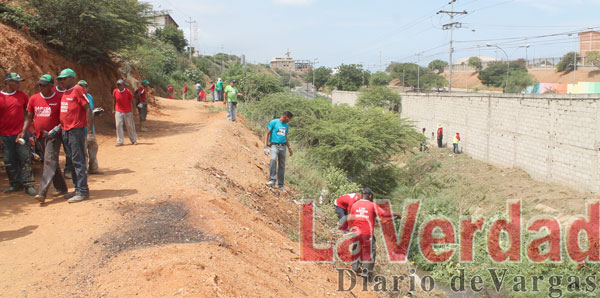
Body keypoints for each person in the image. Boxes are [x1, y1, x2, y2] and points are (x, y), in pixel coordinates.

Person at [19, 74, 68, 202]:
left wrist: (56, 129)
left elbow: (64, 118)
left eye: (44, 85)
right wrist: (23, 132)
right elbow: (29, 117)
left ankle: (42, 192)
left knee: (48, 161)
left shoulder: (59, 98)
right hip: (39, 136)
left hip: (54, 136)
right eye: (39, 84)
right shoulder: (34, 98)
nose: (41, 87)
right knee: (51, 162)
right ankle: (62, 188)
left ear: (52, 85)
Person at [57, 68, 94, 203]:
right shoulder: (65, 92)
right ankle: (77, 189)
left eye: (64, 79)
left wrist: (89, 131)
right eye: (60, 79)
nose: (61, 81)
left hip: (75, 130)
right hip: (66, 131)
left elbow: (88, 109)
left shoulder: (78, 89)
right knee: (71, 161)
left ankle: (83, 191)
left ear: (72, 78)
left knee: (78, 161)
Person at [0, 72, 36, 195]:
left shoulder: (22, 96)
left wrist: (25, 130)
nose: (18, 84)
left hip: (20, 134)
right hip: (5, 135)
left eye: (18, 81)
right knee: (9, 160)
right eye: (15, 81)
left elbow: (28, 113)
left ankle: (29, 184)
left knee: (25, 158)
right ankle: (15, 184)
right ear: (7, 82)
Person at [348, 187, 393, 282]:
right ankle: (367, 276)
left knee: (357, 250)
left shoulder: (355, 205)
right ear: (370, 196)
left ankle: (355, 268)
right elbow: (383, 215)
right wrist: (396, 215)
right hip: (367, 234)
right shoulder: (372, 205)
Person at [263, 111, 293, 191]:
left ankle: (280, 185)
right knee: (273, 159)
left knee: (282, 166)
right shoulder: (274, 122)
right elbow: (267, 133)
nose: (288, 121)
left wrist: (289, 148)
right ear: (284, 116)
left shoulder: (286, 125)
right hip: (274, 145)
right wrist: (265, 146)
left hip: (283, 147)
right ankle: (272, 180)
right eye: (288, 119)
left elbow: (285, 137)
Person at [78, 80, 99, 174]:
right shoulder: (76, 97)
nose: (82, 89)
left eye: (84, 87)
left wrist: (96, 112)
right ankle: (84, 170)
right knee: (83, 150)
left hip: (91, 128)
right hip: (81, 129)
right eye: (80, 87)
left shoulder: (90, 97)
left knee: (93, 148)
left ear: (87, 88)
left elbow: (90, 111)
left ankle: (93, 168)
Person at [112, 79, 137, 146]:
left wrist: (134, 110)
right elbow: (114, 100)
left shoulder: (128, 92)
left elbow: (132, 101)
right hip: (118, 110)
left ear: (123, 85)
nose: (119, 86)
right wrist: (113, 109)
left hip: (127, 111)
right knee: (118, 125)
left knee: (130, 126)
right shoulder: (115, 91)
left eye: (120, 85)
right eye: (118, 85)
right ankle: (120, 141)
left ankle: (133, 140)